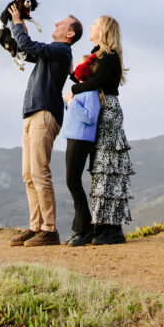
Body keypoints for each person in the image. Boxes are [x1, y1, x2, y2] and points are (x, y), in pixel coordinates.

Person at [8, 4, 83, 247]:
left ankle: (49, 229)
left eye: (61, 23)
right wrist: (21, 30)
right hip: (32, 113)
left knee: (39, 172)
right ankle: (36, 226)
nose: (55, 25)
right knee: (28, 175)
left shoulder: (62, 50)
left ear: (69, 34)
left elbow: (30, 46)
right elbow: (27, 48)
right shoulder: (54, 51)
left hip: (44, 114)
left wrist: (18, 23)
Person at [66, 14, 133, 245]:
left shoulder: (110, 56)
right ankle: (103, 225)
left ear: (103, 29)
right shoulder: (99, 55)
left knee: (107, 167)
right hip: (101, 111)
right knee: (100, 168)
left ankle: (111, 229)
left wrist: (75, 89)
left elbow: (97, 82)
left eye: (94, 24)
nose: (91, 27)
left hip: (108, 112)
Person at [62, 55, 101, 246]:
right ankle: (81, 228)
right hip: (73, 137)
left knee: (73, 181)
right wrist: (68, 102)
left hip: (81, 139)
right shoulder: (81, 92)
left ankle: (83, 228)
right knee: (72, 182)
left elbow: (89, 117)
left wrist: (72, 103)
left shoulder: (91, 93)